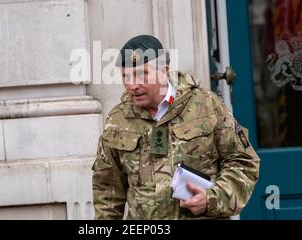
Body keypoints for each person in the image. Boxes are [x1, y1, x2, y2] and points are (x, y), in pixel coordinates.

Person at [92, 35, 260, 219]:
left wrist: (212, 198)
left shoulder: (206, 105)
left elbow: (243, 161)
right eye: (126, 76)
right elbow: (107, 190)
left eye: (142, 74)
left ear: (164, 71)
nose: (132, 85)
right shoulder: (117, 120)